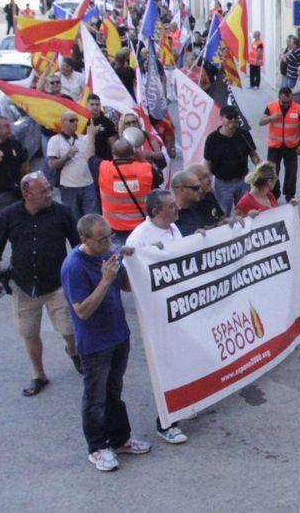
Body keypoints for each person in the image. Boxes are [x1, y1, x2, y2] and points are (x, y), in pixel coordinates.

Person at [62, 214, 153, 472]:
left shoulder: (108, 254)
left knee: (114, 392)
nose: (108, 243)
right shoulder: (74, 267)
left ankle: (120, 438)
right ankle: (97, 448)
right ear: (84, 239)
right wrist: (104, 279)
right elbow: (82, 310)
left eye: (110, 236)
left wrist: (132, 263)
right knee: (95, 397)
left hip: (118, 335)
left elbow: (124, 286)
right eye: (102, 239)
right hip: (94, 343)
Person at [0, 172, 82, 397]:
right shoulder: (9, 215)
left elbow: (78, 246)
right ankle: (39, 374)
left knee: (68, 329)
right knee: (29, 332)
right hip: (23, 286)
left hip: (57, 283)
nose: (49, 194)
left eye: (49, 189)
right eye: (44, 191)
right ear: (26, 193)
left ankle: (74, 352)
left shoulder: (62, 213)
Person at [120, 189, 189, 445]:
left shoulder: (173, 229)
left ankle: (183, 405)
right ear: (156, 211)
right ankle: (166, 423)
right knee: (165, 367)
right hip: (157, 315)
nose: (177, 209)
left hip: (178, 307)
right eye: (171, 206)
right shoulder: (140, 237)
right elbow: (127, 283)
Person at [98, 139, 158, 245]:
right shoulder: (145, 169)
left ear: (113, 153)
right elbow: (159, 177)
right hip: (141, 226)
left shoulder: (103, 168)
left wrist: (91, 135)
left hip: (115, 227)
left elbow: (89, 157)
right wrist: (140, 156)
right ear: (132, 153)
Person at [204, 106, 261, 216]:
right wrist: (208, 180)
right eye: (229, 117)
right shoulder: (212, 139)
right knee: (223, 214)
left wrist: (261, 166)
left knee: (245, 212)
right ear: (221, 118)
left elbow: (253, 154)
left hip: (243, 181)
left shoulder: (244, 134)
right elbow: (207, 162)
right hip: (222, 184)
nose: (233, 120)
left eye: (235, 117)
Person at [258, 87, 300, 202]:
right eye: (283, 102)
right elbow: (261, 122)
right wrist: (272, 117)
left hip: (291, 146)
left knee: (292, 171)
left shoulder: (298, 109)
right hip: (275, 146)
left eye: (288, 101)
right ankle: (274, 194)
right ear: (279, 98)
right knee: (272, 172)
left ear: (291, 97)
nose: (286, 104)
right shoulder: (271, 106)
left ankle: (290, 195)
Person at [48, 111, 99, 219]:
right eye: (72, 120)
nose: (75, 122)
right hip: (68, 187)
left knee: (92, 218)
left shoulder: (84, 138)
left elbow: (92, 155)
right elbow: (52, 165)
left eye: (76, 120)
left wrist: (92, 136)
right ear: (63, 123)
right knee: (72, 219)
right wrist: (68, 156)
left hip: (88, 184)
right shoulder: (55, 140)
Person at [171, 171, 221, 235]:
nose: (200, 191)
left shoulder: (200, 205)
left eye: (200, 187)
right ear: (182, 189)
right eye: (196, 188)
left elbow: (206, 227)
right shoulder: (172, 215)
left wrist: (220, 225)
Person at [87, 95, 119, 162]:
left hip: (103, 160)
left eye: (97, 104)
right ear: (87, 105)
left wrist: (115, 161)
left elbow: (113, 144)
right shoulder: (82, 120)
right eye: (92, 104)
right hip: (85, 159)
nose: (95, 107)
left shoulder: (107, 122)